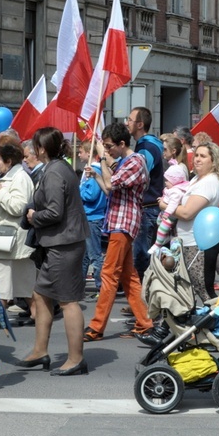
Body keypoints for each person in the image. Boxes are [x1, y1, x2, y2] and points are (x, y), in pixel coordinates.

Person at [18, 127, 89, 375]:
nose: (30, 150)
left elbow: (55, 212)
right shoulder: (57, 167)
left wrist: (34, 216)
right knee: (40, 295)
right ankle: (40, 350)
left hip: (64, 244)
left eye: (34, 145)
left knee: (68, 301)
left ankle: (75, 358)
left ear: (42, 148)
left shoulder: (55, 172)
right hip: (59, 243)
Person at [83, 122, 153, 342]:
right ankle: (144, 322)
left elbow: (111, 184)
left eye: (110, 146)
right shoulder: (126, 161)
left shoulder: (135, 162)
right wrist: (95, 175)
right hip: (118, 223)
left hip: (124, 224)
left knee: (109, 275)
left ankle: (96, 326)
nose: (108, 150)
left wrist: (102, 159)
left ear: (122, 144)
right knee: (127, 276)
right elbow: (107, 187)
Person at [164, 142, 219, 302]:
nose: (197, 159)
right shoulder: (197, 179)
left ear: (213, 162)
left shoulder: (209, 182)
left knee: (203, 289)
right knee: (183, 287)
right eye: (197, 155)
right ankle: (177, 323)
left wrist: (164, 205)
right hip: (186, 241)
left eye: (203, 156)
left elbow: (187, 213)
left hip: (198, 244)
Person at [0, 141, 35, 314]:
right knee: (21, 283)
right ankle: (36, 314)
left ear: (8, 161)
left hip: (10, 238)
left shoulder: (20, 178)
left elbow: (18, 207)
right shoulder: (10, 177)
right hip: (8, 239)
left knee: (3, 281)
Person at [127, 107, 164, 281]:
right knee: (143, 254)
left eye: (130, 119)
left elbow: (138, 175)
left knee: (141, 255)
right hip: (148, 208)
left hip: (147, 208)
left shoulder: (146, 147)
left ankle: (142, 301)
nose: (127, 123)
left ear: (140, 124)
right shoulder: (147, 145)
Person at [78, 139, 106, 297]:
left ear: (89, 154)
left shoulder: (94, 171)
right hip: (88, 217)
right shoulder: (90, 171)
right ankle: (79, 286)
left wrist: (79, 189)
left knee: (94, 255)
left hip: (93, 217)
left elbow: (91, 194)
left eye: (81, 151)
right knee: (84, 256)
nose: (78, 154)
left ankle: (102, 286)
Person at [149, 164, 190, 254]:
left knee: (162, 228)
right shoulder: (171, 189)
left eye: (167, 180)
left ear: (174, 181)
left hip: (170, 215)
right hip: (166, 212)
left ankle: (157, 244)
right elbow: (167, 198)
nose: (165, 182)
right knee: (159, 222)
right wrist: (163, 199)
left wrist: (167, 213)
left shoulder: (176, 191)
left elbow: (173, 204)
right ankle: (166, 236)